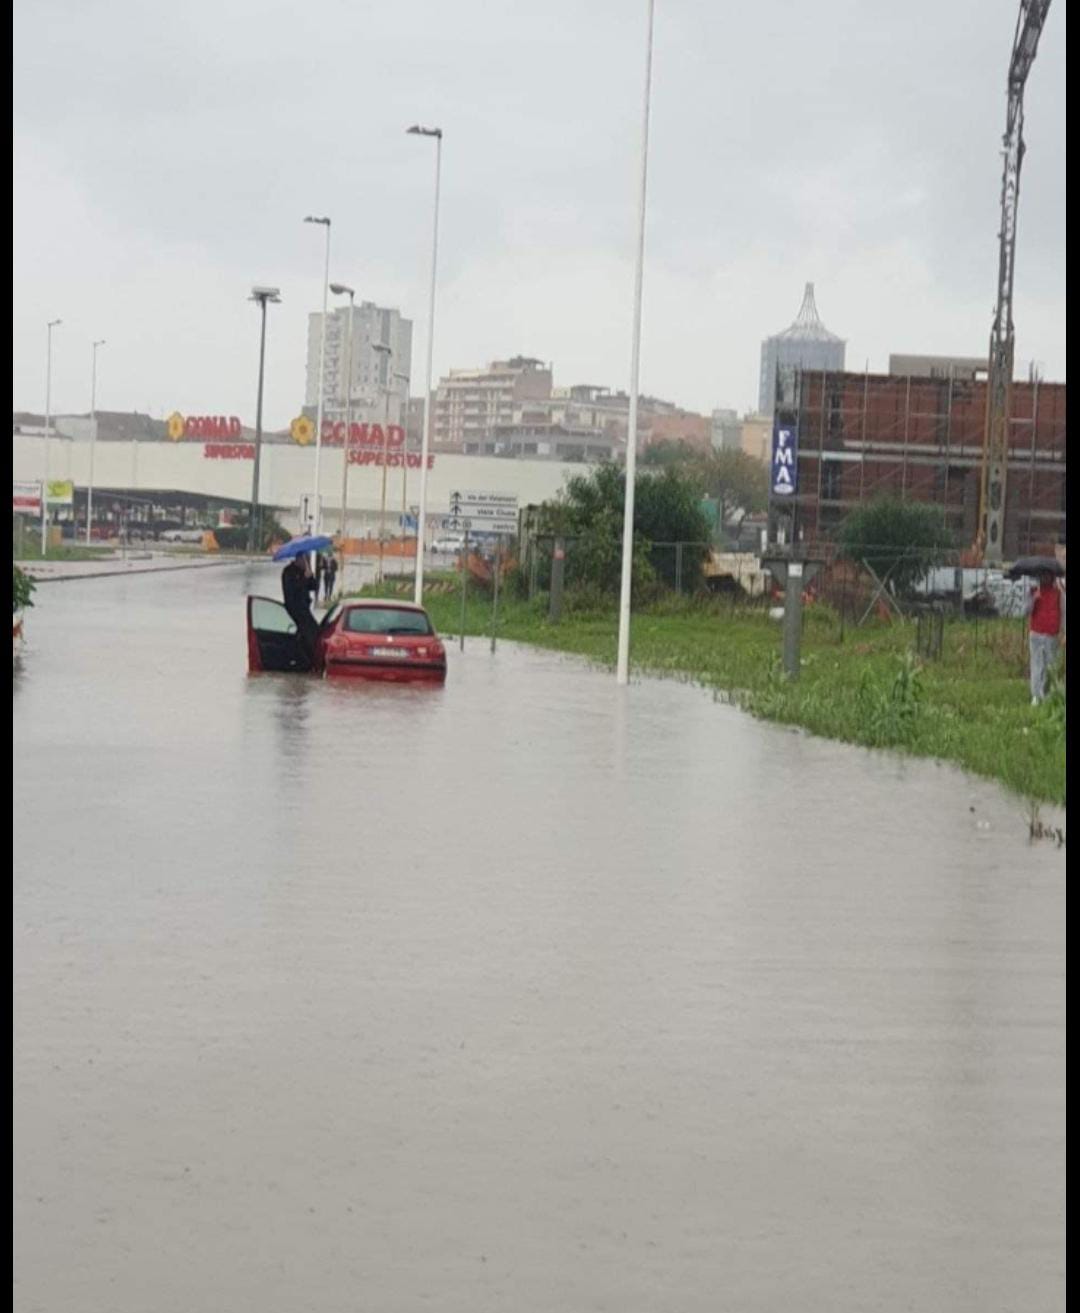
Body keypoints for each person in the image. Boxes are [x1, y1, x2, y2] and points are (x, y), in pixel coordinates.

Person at [1027, 570, 1064, 705]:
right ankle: (1036, 695)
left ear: (1052, 577)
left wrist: (1064, 632)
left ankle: (1048, 692)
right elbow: (1026, 610)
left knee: (1051, 665)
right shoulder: (1033, 591)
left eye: (1048, 576)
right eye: (1042, 576)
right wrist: (1033, 599)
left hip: (1052, 634)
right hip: (1036, 633)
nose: (1045, 578)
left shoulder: (1058, 593)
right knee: (1037, 664)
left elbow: (1063, 612)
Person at [281, 554, 319, 665]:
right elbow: (292, 590)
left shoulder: (303, 572)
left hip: (304, 608)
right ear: (298, 560)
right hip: (294, 609)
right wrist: (304, 579)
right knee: (308, 633)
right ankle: (306, 659)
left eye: (306, 560)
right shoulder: (288, 572)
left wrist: (310, 576)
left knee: (315, 631)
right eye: (304, 560)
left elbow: (314, 586)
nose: (305, 563)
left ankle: (310, 658)